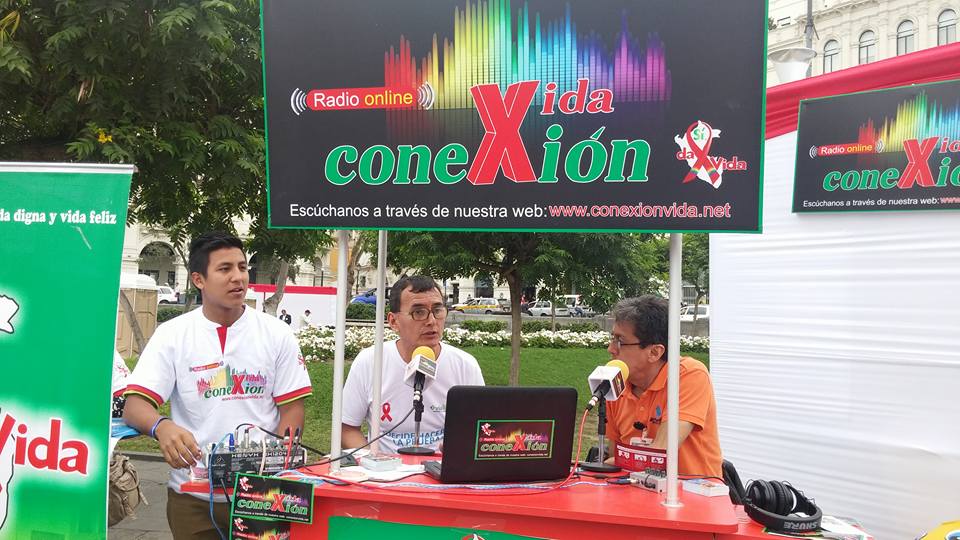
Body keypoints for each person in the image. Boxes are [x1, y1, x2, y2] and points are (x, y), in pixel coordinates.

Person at [123, 231, 312, 538]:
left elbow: (292, 411)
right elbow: (135, 406)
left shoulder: (277, 334)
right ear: (198, 279)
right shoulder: (173, 334)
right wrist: (162, 427)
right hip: (193, 496)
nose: (238, 277)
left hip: (263, 494)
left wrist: (276, 468)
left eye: (242, 267)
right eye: (225, 269)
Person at [341, 275, 484, 454]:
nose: (431, 321)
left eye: (437, 310)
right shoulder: (370, 362)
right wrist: (374, 459)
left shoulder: (465, 365)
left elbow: (481, 429)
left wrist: (460, 450)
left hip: (444, 468)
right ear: (393, 321)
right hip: (386, 468)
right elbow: (346, 429)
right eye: (419, 312)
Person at [604, 295, 722, 477]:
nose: (611, 349)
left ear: (654, 352)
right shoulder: (617, 384)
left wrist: (620, 461)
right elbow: (615, 460)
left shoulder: (689, 375)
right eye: (612, 338)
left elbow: (660, 453)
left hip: (691, 491)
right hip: (634, 489)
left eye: (620, 341)